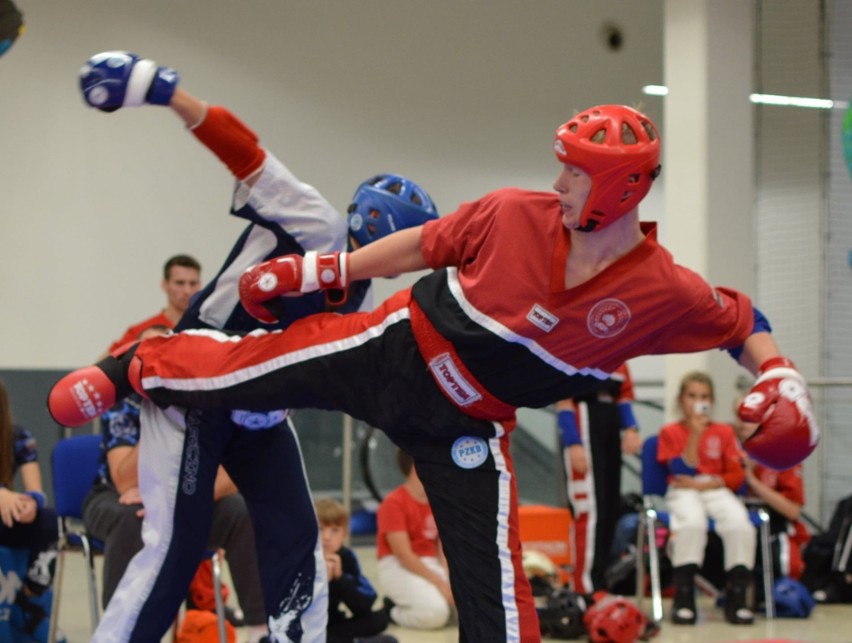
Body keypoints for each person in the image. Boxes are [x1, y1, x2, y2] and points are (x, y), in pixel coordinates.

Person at [50, 101, 821, 642]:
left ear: (619, 187)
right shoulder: (515, 211)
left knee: (494, 578)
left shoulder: (659, 289)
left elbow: (740, 318)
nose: (559, 184)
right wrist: (328, 267)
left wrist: (781, 375)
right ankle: (131, 365)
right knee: (258, 364)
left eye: (575, 174)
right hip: (399, 347)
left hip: (469, 421)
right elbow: (421, 247)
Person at [65, 51, 438, 643]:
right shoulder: (313, 219)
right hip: (196, 386)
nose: (409, 263)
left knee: (296, 533)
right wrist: (167, 95)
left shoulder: (363, 295)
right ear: (377, 227)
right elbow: (246, 153)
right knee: (173, 548)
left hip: (260, 408)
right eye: (409, 248)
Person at [656, 370, 756, 625]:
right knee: (691, 523)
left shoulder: (724, 432)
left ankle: (737, 596)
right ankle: (684, 596)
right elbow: (680, 470)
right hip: (683, 489)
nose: (698, 401)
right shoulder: (670, 431)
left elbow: (736, 474)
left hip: (714, 487)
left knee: (740, 524)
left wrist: (711, 483)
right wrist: (696, 434)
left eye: (704, 396)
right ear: (681, 400)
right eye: (692, 396)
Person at [557, 362, 641, 593]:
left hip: (610, 425)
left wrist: (631, 428)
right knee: (589, 509)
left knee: (609, 508)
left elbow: (624, 395)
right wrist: (573, 442)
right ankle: (584, 587)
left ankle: (600, 583)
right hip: (583, 422)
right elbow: (562, 400)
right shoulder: (574, 343)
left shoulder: (620, 349)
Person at [0, 379, 61, 643]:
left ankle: (31, 598)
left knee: (48, 520)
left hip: (6, 515)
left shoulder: (18, 437)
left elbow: (35, 491)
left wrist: (31, 505)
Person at [376, 449, 453, 630]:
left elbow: (443, 548)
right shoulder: (393, 503)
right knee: (435, 614)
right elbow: (403, 555)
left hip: (430, 563)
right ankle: (392, 611)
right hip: (398, 565)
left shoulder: (438, 501)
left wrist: (450, 579)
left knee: (467, 608)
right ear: (416, 466)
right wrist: (441, 584)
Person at [315, 497, 397, 643]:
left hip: (334, 625)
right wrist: (321, 581)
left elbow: (365, 605)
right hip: (306, 626)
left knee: (380, 619)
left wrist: (341, 579)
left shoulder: (346, 557)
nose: (326, 537)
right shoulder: (303, 558)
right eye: (320, 529)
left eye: (335, 530)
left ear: (344, 534)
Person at [106, 254, 201, 354]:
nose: (188, 291)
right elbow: (102, 367)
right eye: (180, 283)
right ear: (164, 284)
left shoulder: (210, 329)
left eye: (193, 283)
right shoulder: (141, 332)